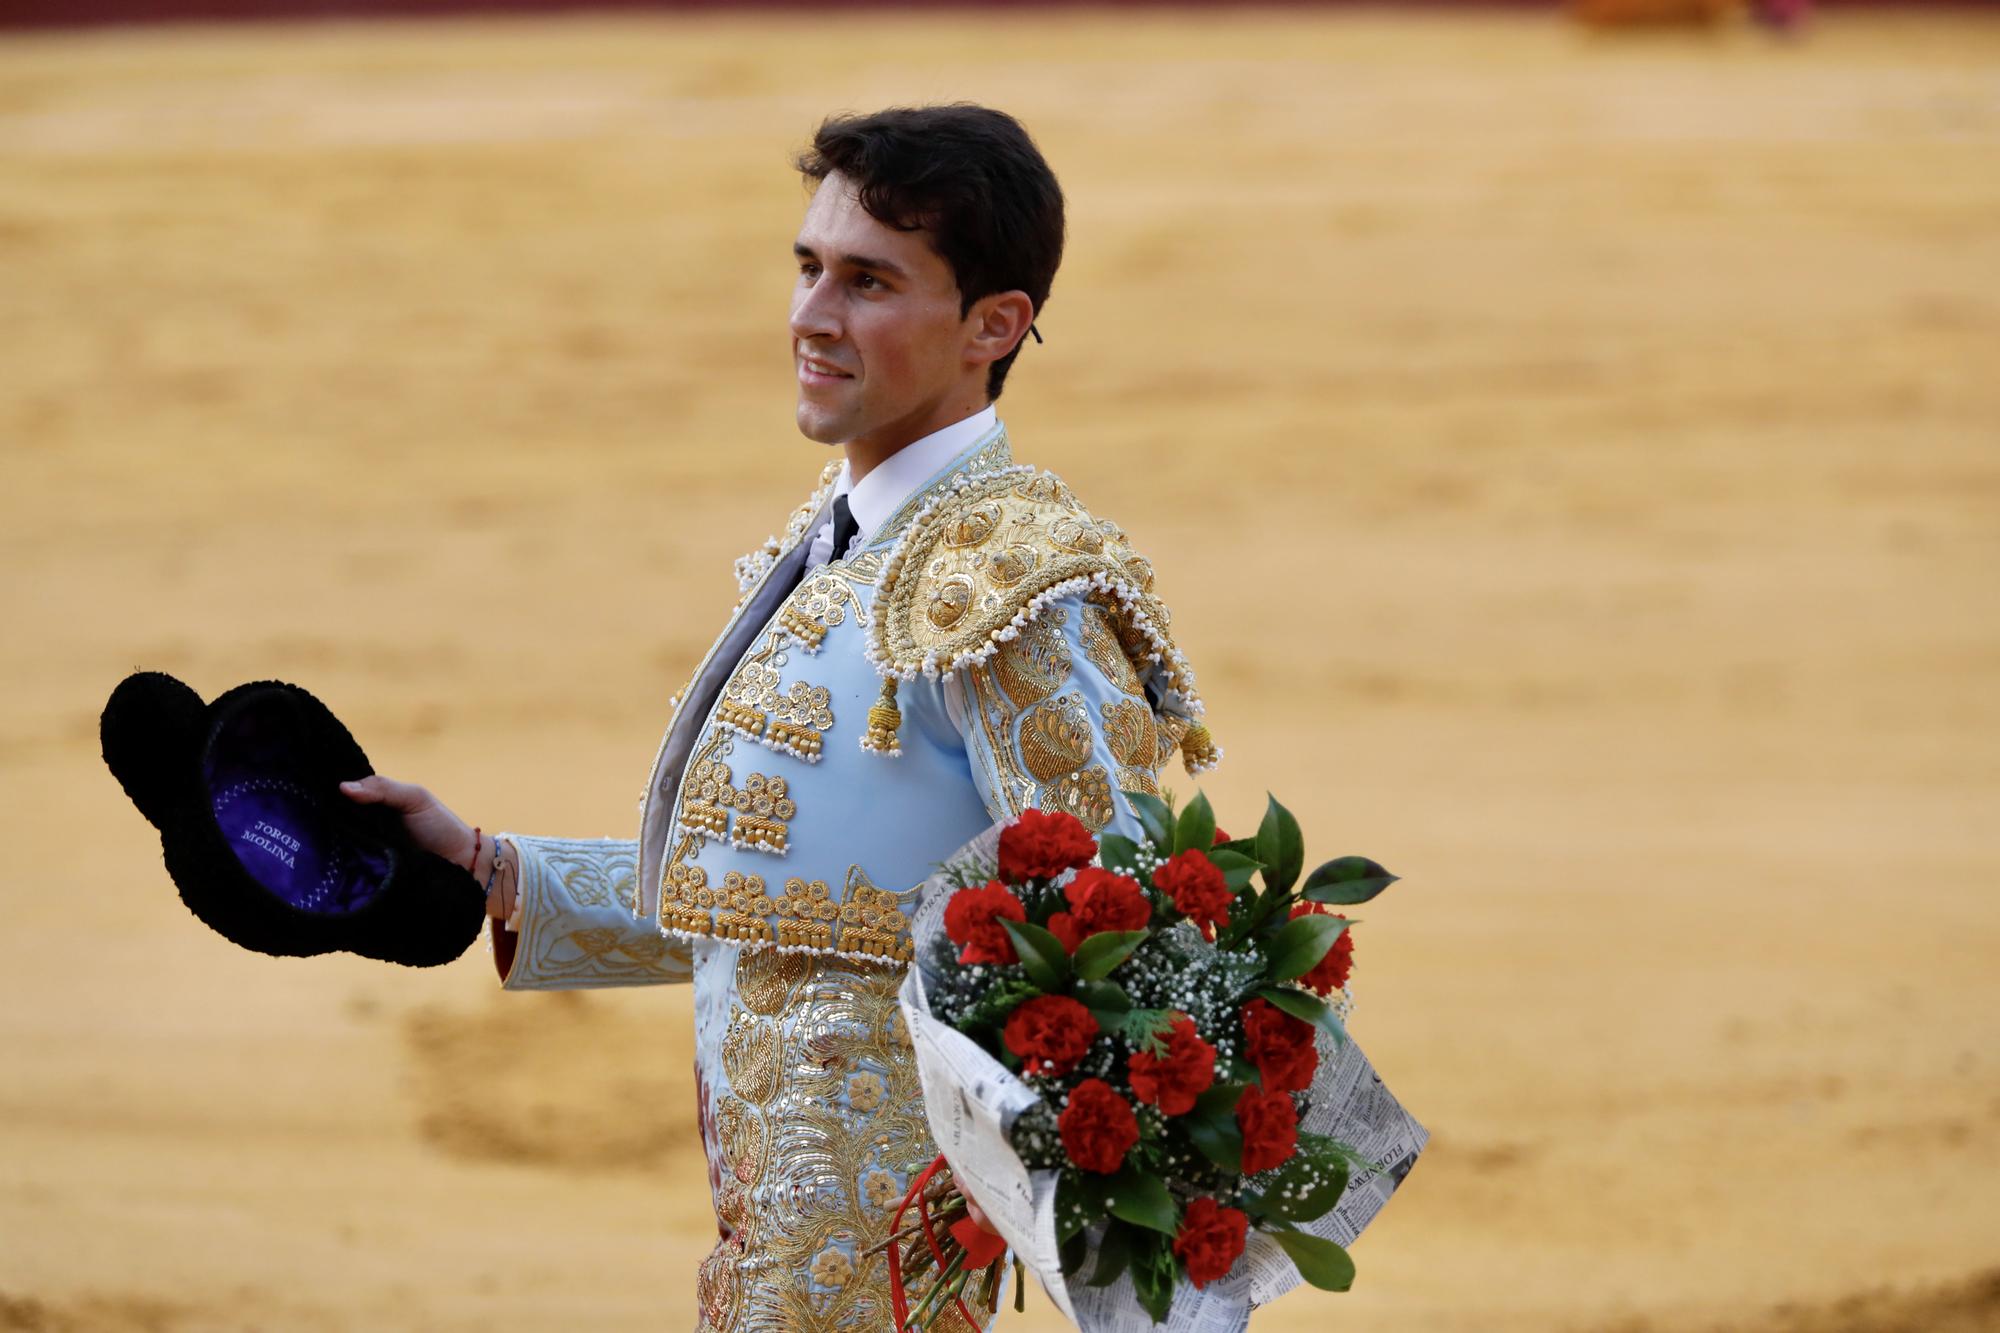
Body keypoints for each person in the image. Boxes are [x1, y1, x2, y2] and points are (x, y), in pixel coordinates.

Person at [341, 104, 1218, 1331]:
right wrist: (493, 867)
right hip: (791, 1245)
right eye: (809, 267)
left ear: (994, 326)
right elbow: (783, 898)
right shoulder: (846, 545)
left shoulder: (1008, 585)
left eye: (868, 281)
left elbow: (1133, 945)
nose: (811, 314)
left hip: (887, 1257)